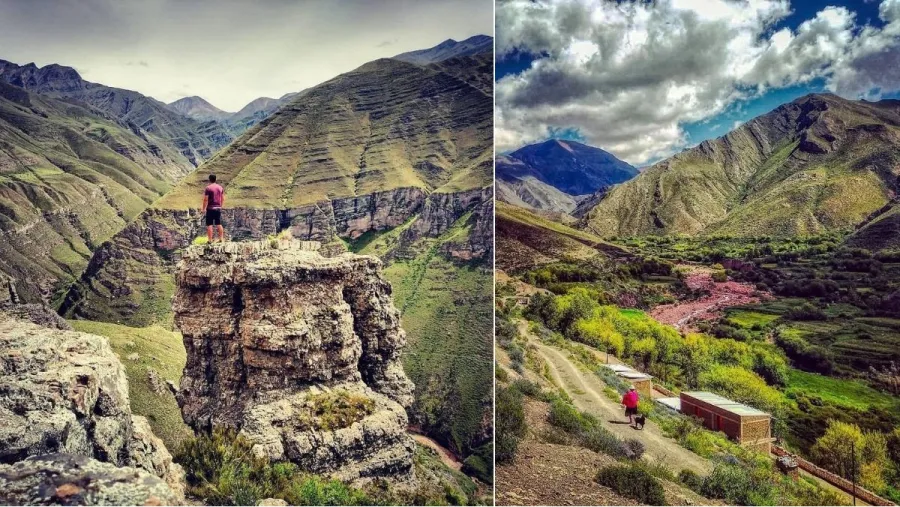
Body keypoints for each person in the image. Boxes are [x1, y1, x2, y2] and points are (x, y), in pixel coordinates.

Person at [201, 174, 225, 243]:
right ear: (215, 179)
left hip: (210, 208)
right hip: (218, 208)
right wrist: (221, 206)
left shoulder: (208, 188)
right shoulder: (220, 188)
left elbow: (206, 199)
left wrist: (203, 209)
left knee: (209, 224)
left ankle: (210, 240)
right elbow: (223, 198)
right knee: (219, 223)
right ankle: (221, 238)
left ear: (209, 179)